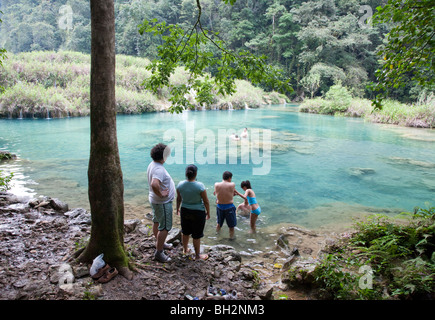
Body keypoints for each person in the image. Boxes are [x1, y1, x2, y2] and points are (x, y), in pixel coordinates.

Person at [147, 143, 175, 263]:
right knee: (165, 227)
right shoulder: (159, 169)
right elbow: (154, 184)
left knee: (157, 221)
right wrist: (161, 194)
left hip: (155, 201)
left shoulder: (153, 164)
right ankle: (159, 252)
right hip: (162, 202)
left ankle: (160, 243)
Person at [176, 164, 210, 260]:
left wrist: (177, 209)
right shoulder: (200, 186)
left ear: (186, 174)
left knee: (185, 232)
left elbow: (179, 199)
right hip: (198, 212)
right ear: (195, 174)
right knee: (196, 234)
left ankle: (185, 250)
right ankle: (197, 255)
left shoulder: (180, 184)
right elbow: (206, 201)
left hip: (185, 210)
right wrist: (208, 212)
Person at [213, 171, 244, 239]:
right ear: (229, 178)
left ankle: (217, 235)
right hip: (229, 207)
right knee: (231, 226)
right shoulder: (232, 184)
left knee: (219, 224)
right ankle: (231, 239)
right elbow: (231, 192)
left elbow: (219, 193)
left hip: (219, 207)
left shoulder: (216, 184)